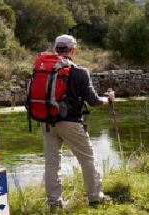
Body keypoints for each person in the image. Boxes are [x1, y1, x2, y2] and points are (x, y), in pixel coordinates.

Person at [40, 35, 115, 209]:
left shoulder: (44, 70)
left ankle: (54, 203)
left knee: (52, 163)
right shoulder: (80, 72)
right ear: (73, 50)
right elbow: (94, 101)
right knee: (87, 159)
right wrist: (108, 99)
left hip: (46, 121)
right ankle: (96, 197)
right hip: (71, 122)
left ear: (54, 49)